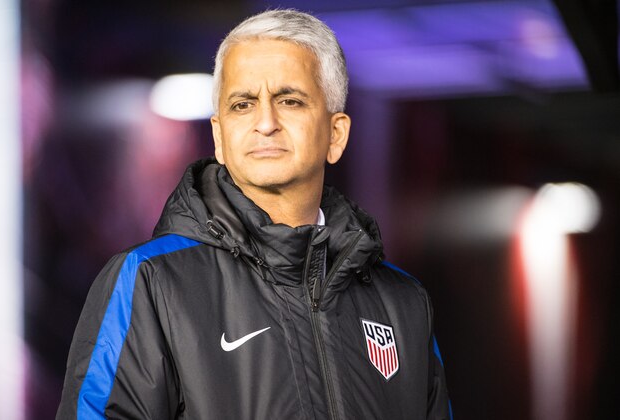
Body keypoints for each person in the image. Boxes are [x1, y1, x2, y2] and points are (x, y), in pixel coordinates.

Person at [56, 9, 451, 420]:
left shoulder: (404, 304)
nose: (265, 123)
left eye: (290, 101)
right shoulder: (149, 282)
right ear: (219, 137)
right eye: (243, 104)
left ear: (336, 134)